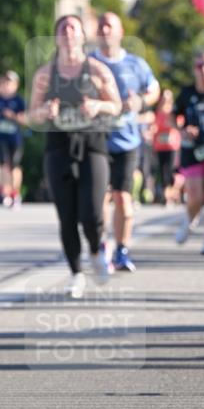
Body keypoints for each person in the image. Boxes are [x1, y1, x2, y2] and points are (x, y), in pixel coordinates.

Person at [28, 15, 121, 300]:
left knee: (91, 213)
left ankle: (96, 250)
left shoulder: (97, 69)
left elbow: (116, 106)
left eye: (73, 27)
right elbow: (32, 114)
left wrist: (97, 106)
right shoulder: (45, 74)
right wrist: (45, 112)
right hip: (58, 148)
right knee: (66, 216)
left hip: (92, 146)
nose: (68, 32)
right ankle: (76, 273)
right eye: (63, 28)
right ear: (56, 36)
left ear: (82, 35)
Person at [92, 12, 160, 272]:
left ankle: (121, 250)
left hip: (126, 142)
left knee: (123, 198)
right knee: (99, 198)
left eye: (109, 26)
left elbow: (154, 90)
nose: (104, 30)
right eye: (101, 26)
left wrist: (140, 101)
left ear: (120, 32)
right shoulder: (89, 63)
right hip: (97, 141)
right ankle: (102, 246)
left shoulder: (135, 64)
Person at [174, 52, 204, 255]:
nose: (203, 70)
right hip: (192, 149)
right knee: (195, 197)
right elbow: (173, 116)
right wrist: (183, 129)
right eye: (200, 66)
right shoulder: (186, 93)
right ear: (194, 69)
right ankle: (189, 218)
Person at [0, 70, 26, 207]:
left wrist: (12, 116)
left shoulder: (19, 100)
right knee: (3, 165)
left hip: (15, 138)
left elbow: (26, 120)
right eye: (4, 83)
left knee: (14, 166)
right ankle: (5, 193)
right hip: (0, 137)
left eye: (9, 83)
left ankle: (15, 193)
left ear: (15, 85)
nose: (6, 86)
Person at [152, 89, 181, 207]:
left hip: (171, 146)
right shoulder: (157, 112)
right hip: (160, 146)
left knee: (170, 171)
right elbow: (154, 127)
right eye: (163, 97)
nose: (165, 100)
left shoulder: (174, 111)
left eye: (167, 97)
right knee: (162, 171)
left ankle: (173, 193)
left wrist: (172, 124)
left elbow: (179, 124)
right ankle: (166, 196)